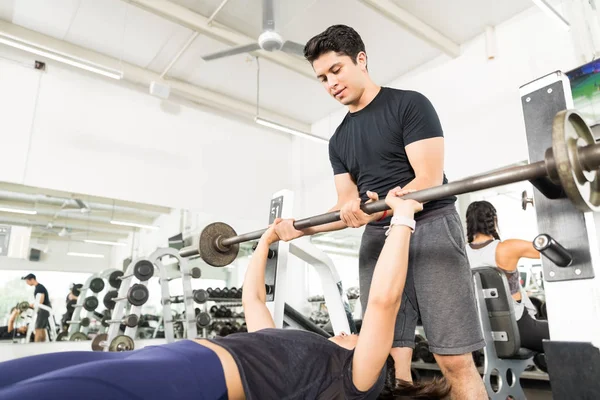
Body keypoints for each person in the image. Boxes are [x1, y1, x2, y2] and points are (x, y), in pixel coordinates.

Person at [0, 189, 449, 399]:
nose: (351, 334)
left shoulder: (358, 381)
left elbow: (383, 302)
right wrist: (267, 241)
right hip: (165, 357)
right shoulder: (306, 350)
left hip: (190, 380)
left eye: (359, 337)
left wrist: (403, 218)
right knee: (12, 375)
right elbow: (253, 300)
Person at [274, 24, 487, 398]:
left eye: (336, 70)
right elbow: (345, 205)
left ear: (361, 59)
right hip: (378, 237)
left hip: (431, 226)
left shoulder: (409, 104)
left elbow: (428, 178)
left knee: (453, 359)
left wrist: (386, 204)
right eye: (322, 78)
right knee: (384, 355)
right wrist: (300, 229)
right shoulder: (339, 139)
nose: (330, 83)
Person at [465, 200, 549, 353]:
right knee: (566, 333)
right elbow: (549, 250)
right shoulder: (507, 248)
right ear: (494, 220)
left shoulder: (461, 254)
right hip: (518, 328)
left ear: (468, 223)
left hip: (482, 333)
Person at [22, 273, 52, 342]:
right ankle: (43, 345)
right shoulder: (38, 287)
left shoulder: (39, 288)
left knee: (38, 328)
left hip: (44, 309)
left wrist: (31, 305)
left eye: (27, 281)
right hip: (44, 309)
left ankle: (36, 346)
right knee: (42, 328)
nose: (27, 283)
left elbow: (40, 301)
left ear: (32, 279)